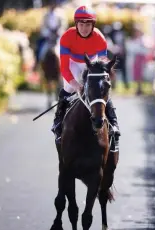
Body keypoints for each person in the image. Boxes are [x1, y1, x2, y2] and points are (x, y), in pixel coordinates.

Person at [51, 5, 120, 150]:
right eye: (81, 24)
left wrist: (102, 80)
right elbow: (64, 68)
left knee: (100, 88)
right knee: (68, 88)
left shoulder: (100, 38)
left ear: (93, 25)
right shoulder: (66, 37)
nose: (84, 28)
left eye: (88, 24)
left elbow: (103, 67)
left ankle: (113, 123)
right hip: (73, 63)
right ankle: (58, 122)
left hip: (92, 62)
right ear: (76, 24)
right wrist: (76, 85)